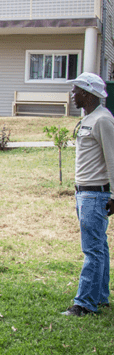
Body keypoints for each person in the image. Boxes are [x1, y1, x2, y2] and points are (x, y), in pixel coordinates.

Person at [65, 73, 113, 316]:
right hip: (84, 194)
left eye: (75, 90)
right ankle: (101, 297)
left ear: (86, 92)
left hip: (95, 195)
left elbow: (112, 159)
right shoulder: (90, 119)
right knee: (100, 248)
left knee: (92, 249)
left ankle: (84, 304)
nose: (73, 95)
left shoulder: (102, 120)